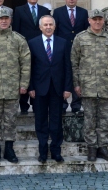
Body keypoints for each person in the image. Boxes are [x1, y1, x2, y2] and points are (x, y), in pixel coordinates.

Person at [0, 7, 30, 164]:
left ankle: (9, 148)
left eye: (6, 18)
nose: (3, 21)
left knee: (11, 120)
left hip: (12, 87)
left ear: (10, 20)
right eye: (1, 18)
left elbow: (25, 63)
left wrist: (24, 84)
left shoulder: (19, 40)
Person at [71, 9, 108, 162]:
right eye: (95, 19)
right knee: (90, 119)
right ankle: (92, 147)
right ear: (89, 20)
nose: (97, 22)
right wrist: (76, 84)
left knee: (104, 119)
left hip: (106, 85)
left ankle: (103, 147)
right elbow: (74, 63)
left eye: (100, 19)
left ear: (103, 20)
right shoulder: (80, 38)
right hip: (87, 85)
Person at [27, 15, 71, 163]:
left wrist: (67, 87)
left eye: (50, 24)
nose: (48, 27)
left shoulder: (63, 42)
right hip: (39, 88)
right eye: (45, 25)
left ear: (55, 26)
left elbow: (68, 67)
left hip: (58, 88)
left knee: (56, 121)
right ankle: (43, 151)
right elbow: (29, 67)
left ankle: (56, 151)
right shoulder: (32, 43)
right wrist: (31, 87)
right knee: (40, 121)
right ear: (40, 27)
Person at [11, 0, 50, 114]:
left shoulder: (45, 11)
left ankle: (35, 102)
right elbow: (16, 30)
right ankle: (23, 104)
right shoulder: (19, 10)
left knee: (37, 73)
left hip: (40, 47)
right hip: (24, 47)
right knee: (24, 74)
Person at [52, 0, 89, 113]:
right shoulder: (58, 12)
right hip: (63, 49)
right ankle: (62, 104)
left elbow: (86, 31)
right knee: (63, 74)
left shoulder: (83, 12)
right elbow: (55, 31)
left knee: (77, 75)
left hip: (79, 50)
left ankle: (76, 105)